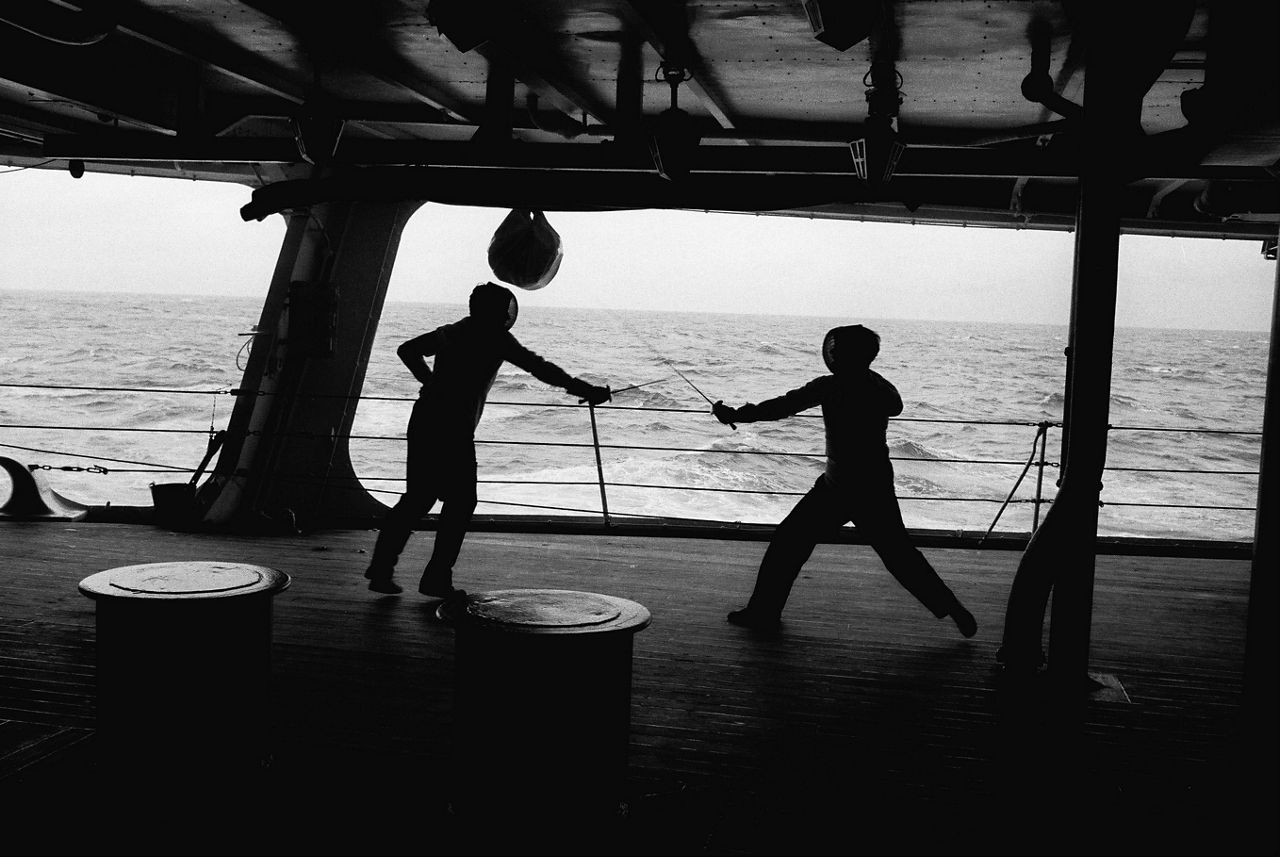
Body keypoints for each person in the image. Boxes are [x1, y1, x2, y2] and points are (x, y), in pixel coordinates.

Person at [711, 324, 977, 637]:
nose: (833, 353)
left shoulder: (829, 386)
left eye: (837, 350)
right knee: (900, 556)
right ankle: (953, 609)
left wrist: (734, 415)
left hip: (837, 487)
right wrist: (868, 375)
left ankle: (763, 613)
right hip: (872, 486)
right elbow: (896, 405)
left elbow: (781, 406)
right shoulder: (879, 387)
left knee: (788, 544)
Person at [364, 282, 611, 596]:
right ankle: (435, 578)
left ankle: (382, 568)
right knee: (461, 501)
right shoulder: (496, 338)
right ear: (498, 312)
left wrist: (431, 382)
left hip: (426, 417)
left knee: (418, 498)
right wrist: (586, 390)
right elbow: (541, 369)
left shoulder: (453, 331)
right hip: (453, 428)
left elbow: (407, 350)